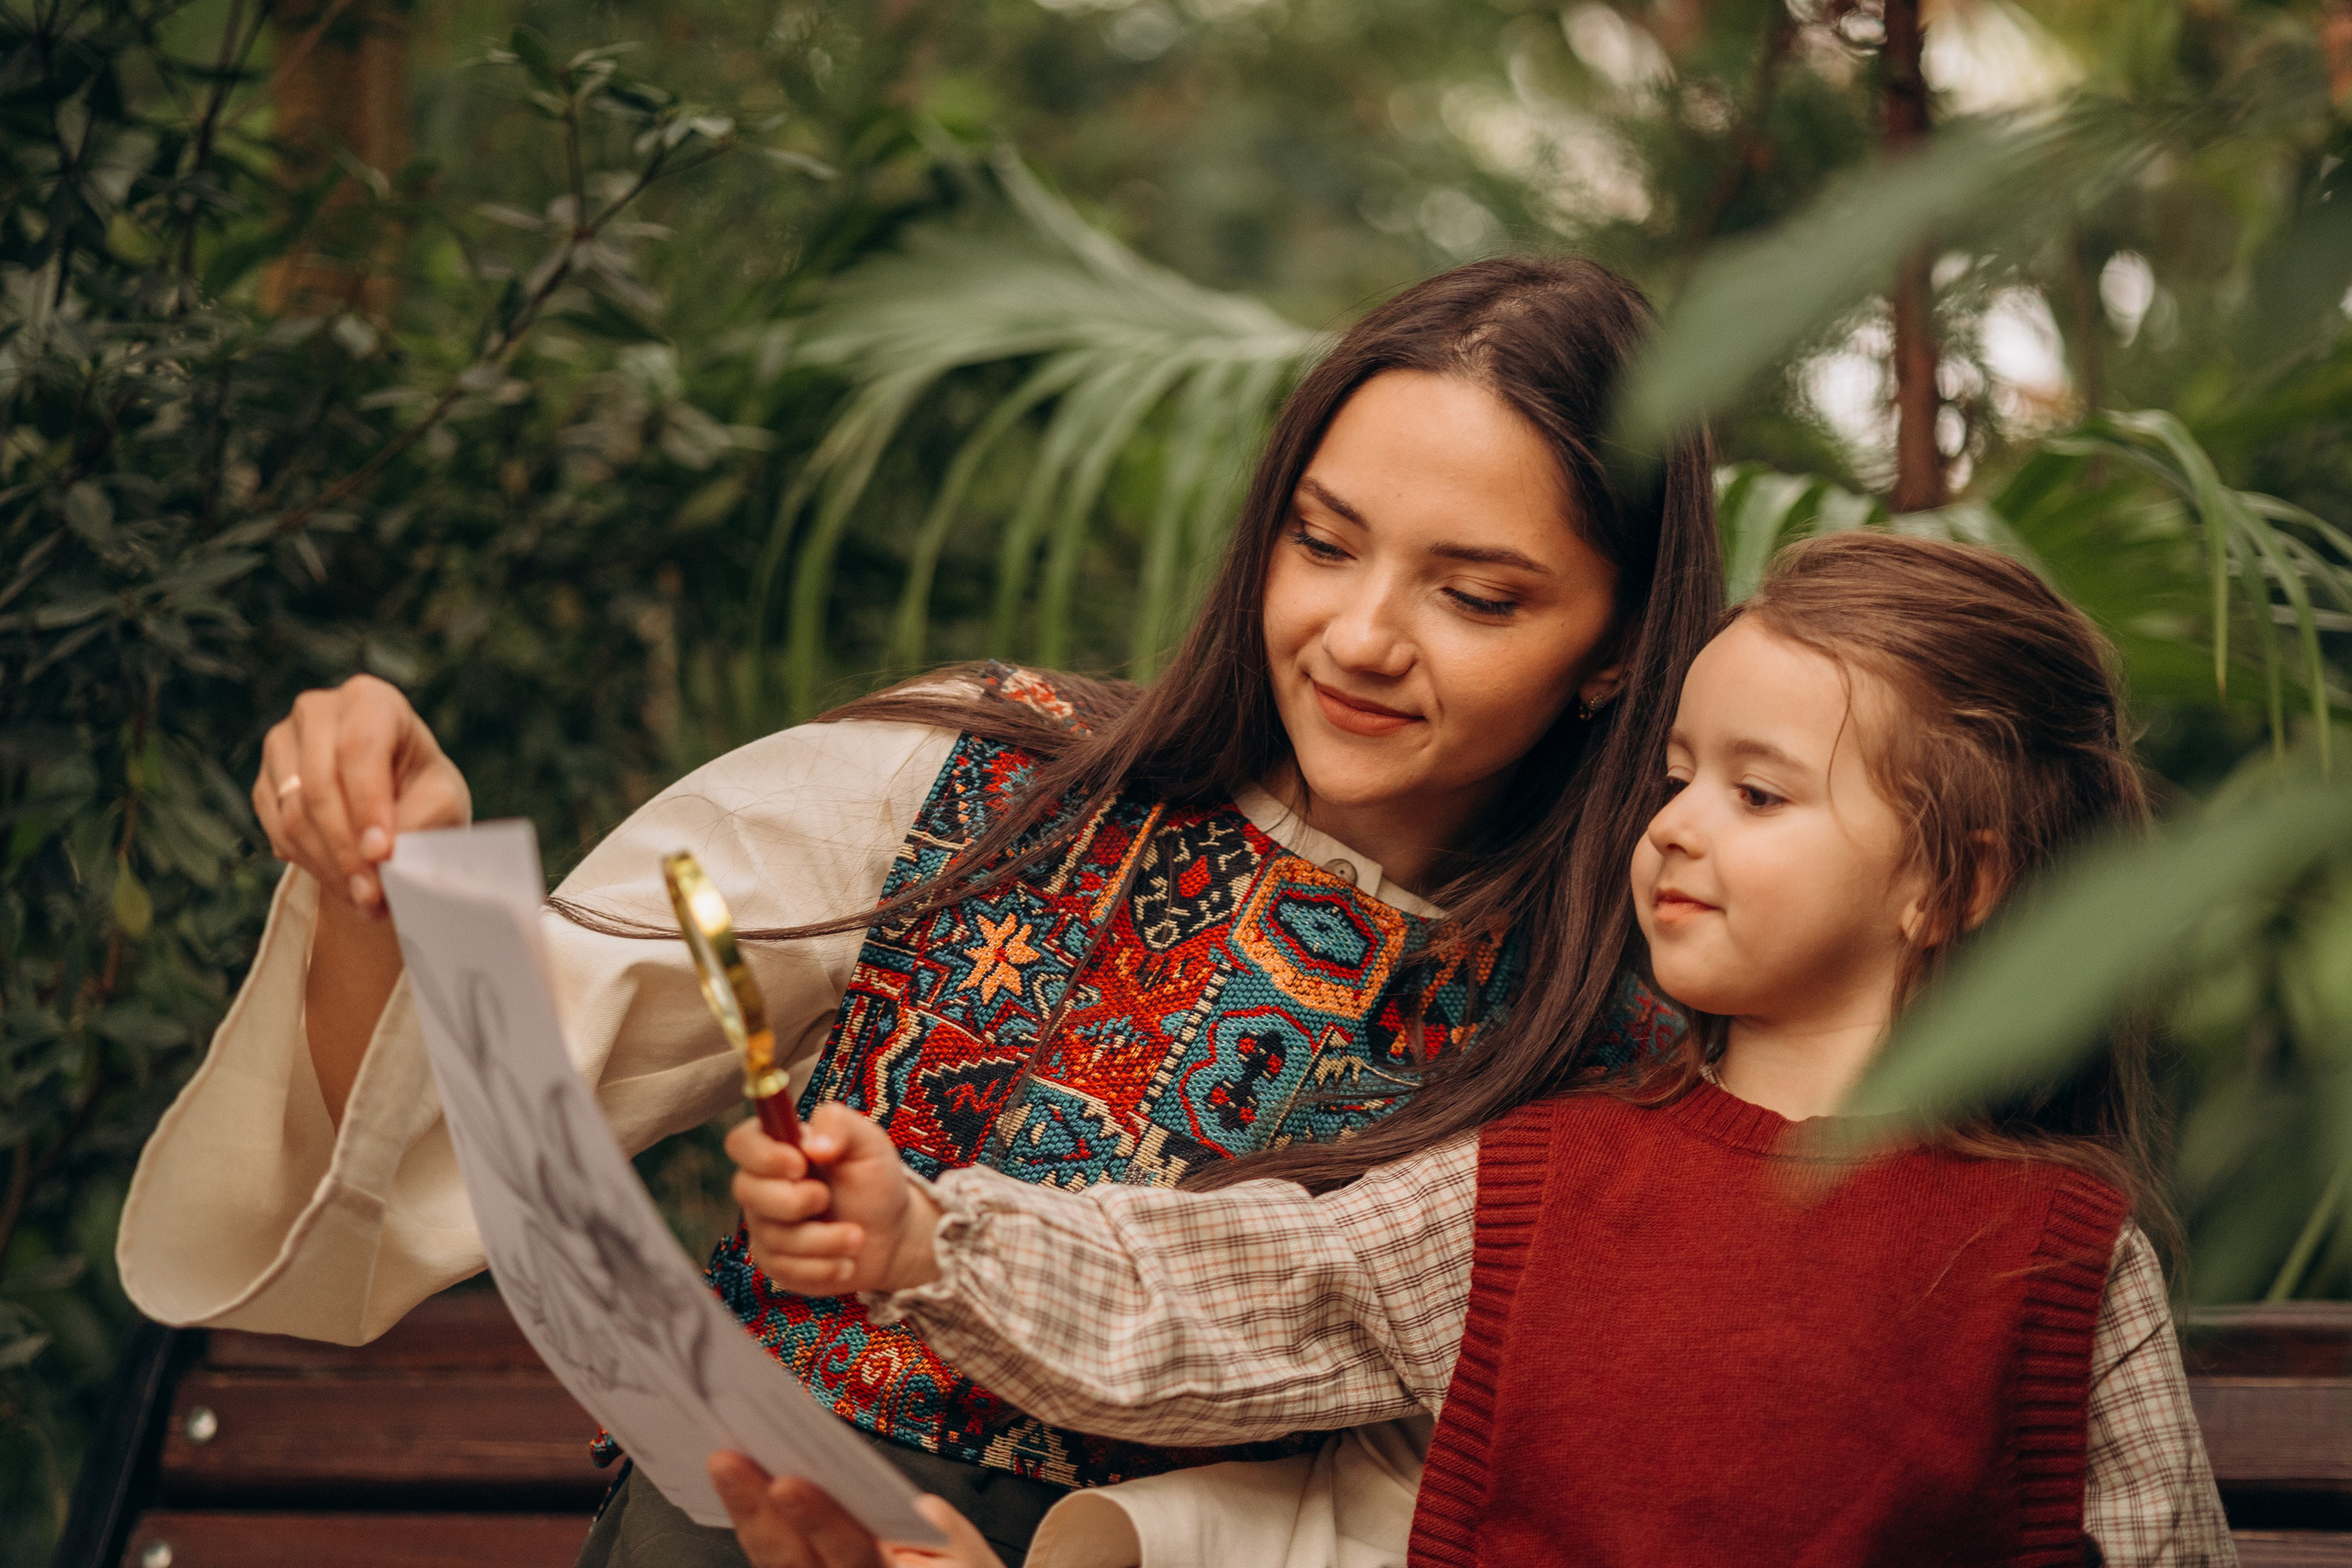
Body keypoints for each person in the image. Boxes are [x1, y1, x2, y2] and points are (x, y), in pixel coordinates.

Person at [115, 255, 1723, 1567]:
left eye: (1476, 594)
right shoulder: (983, 780)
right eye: (1324, 542)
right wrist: (387, 891)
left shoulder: (1607, 1046)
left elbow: (1437, 1507)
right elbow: (470, 1113)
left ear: (1613, 651)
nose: (1362, 635)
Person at [733, 534, 2236, 1567]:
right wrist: (931, 1234)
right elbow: (1237, 1294)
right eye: (1674, 774)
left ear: (1952, 882)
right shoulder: (1542, 1188)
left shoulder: (2062, 1262)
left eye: (1760, 796)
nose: (1674, 823)